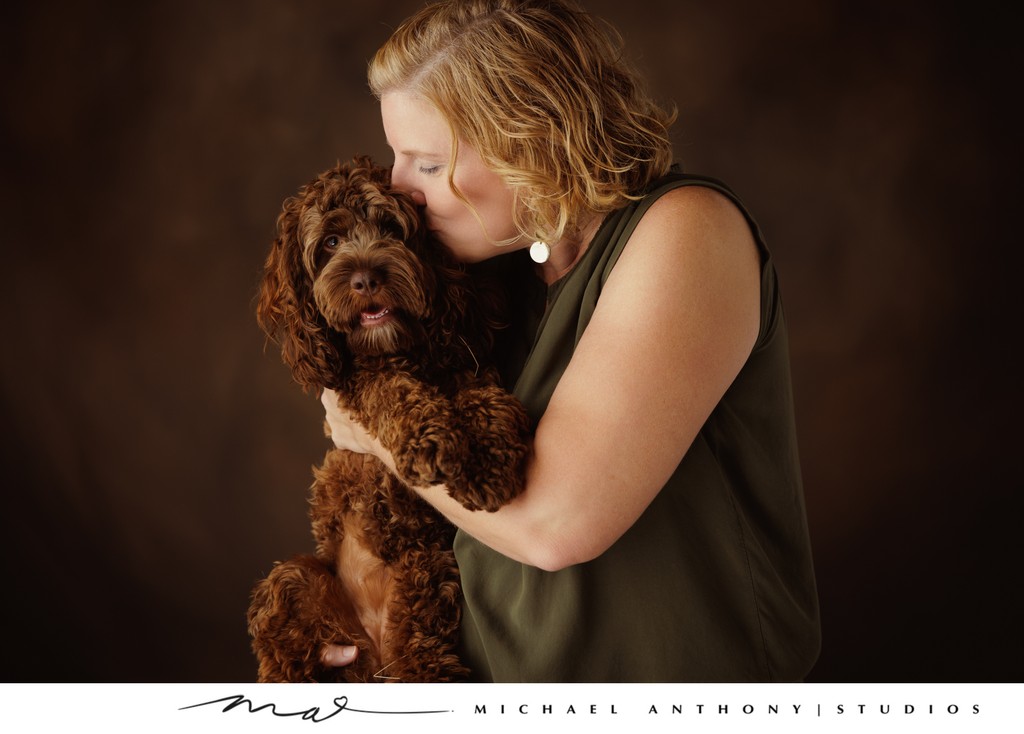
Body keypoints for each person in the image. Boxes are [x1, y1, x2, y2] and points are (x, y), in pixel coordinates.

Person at [318, 0, 820, 682]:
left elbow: (557, 526)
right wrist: (356, 614)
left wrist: (370, 431)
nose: (399, 189)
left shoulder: (687, 232)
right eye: (396, 157)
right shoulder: (496, 273)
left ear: (532, 143)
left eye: (427, 164)